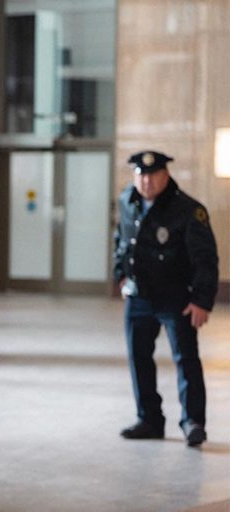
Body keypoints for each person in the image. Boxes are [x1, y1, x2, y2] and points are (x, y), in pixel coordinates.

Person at [114, 150, 218, 447]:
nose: (146, 181)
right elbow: (120, 240)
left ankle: (193, 421)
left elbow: (205, 260)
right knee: (139, 359)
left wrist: (201, 300)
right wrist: (120, 273)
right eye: (140, 175)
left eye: (152, 175)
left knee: (185, 360)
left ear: (166, 175)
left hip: (175, 298)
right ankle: (149, 419)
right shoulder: (126, 201)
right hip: (138, 297)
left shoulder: (188, 210)